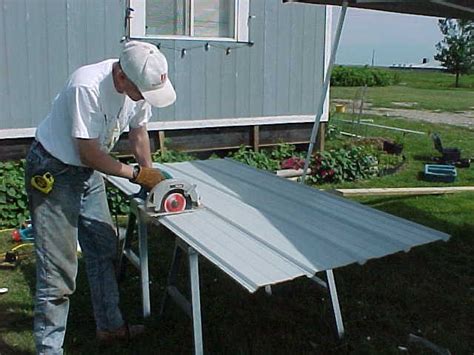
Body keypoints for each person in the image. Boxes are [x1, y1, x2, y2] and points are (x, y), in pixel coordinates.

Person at [25, 40, 176, 354]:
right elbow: (89, 153)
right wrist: (135, 174)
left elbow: (138, 132)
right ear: (121, 78)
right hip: (54, 170)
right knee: (58, 270)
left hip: (85, 170)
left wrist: (150, 174)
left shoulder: (140, 83)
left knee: (104, 246)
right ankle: (49, 349)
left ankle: (109, 327)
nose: (143, 99)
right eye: (140, 92)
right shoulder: (87, 87)